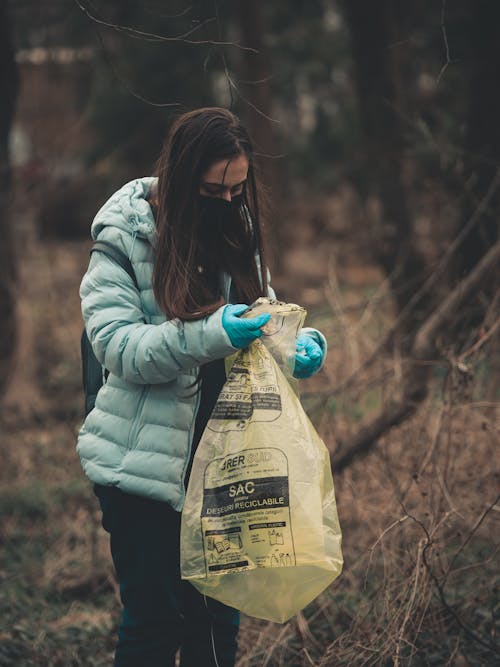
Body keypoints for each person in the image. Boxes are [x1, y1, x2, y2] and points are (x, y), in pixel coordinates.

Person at [77, 107, 327, 667]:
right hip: (144, 473)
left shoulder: (233, 230)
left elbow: (260, 315)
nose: (229, 200)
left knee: (216, 629)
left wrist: (299, 342)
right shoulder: (123, 240)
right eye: (216, 188)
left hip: (225, 469)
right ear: (183, 176)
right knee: (154, 626)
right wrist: (213, 333)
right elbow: (120, 348)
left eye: (238, 188)